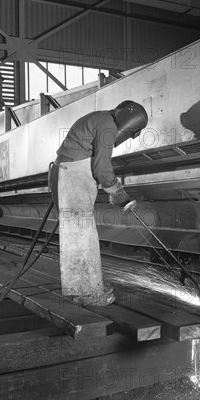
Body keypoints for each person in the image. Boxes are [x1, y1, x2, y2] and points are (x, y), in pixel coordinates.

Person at [49, 100, 148, 306]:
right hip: (72, 176)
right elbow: (101, 167)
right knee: (81, 235)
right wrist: (119, 194)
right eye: (131, 132)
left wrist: (114, 193)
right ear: (130, 122)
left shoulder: (101, 117)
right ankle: (89, 293)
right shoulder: (108, 125)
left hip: (69, 173)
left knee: (80, 233)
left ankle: (86, 289)